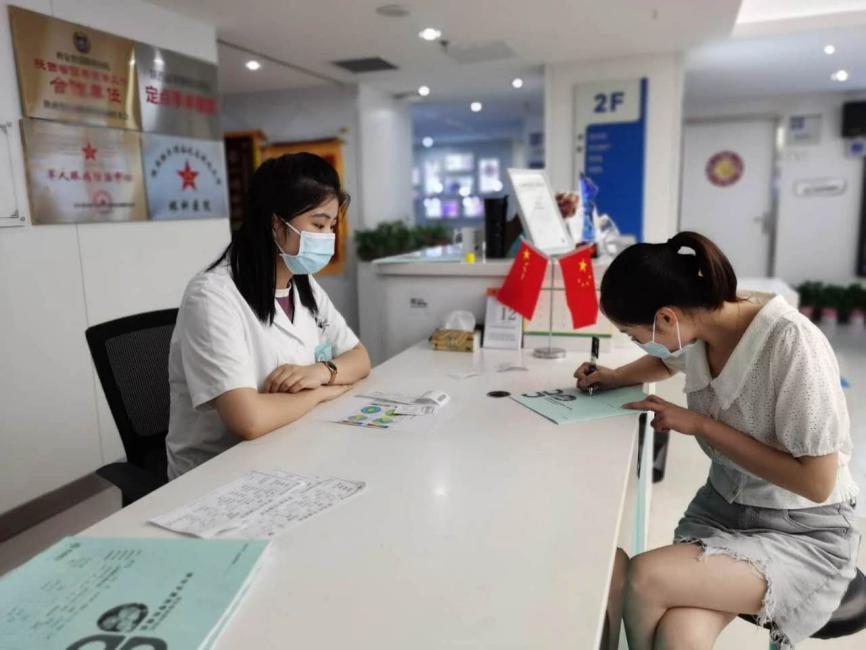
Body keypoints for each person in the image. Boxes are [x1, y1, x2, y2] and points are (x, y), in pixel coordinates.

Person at [573, 231, 859, 648]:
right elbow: (668, 360)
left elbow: (817, 483)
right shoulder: (703, 324)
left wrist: (702, 425)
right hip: (723, 513)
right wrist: (614, 377)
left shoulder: (792, 344)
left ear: (666, 318)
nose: (639, 344)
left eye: (634, 335)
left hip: (804, 532)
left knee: (643, 578)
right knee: (679, 635)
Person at [166, 153, 371, 479]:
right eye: (318, 225)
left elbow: (359, 358)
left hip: (293, 445)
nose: (328, 237)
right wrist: (321, 392)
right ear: (276, 223)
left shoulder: (302, 283)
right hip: (219, 473)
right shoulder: (212, 297)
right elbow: (249, 420)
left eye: (331, 226)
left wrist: (321, 372)